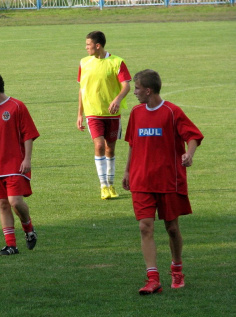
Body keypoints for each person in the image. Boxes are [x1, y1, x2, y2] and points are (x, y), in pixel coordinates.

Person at [122, 69, 204, 295]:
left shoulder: (172, 111)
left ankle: (177, 269)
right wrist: (127, 171)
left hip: (168, 180)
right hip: (141, 180)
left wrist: (189, 154)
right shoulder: (137, 113)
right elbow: (132, 144)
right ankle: (152, 279)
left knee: (172, 228)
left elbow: (193, 136)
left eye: (137, 88)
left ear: (148, 90)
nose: (135, 92)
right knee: (144, 227)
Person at [0, 73, 40, 256]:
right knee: (3, 204)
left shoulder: (16, 106)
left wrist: (27, 159)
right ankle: (11, 245)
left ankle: (28, 228)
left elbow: (28, 134)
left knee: (15, 201)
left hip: (14, 164)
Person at [77, 31, 131, 200]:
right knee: (99, 145)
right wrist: (79, 114)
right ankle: (103, 186)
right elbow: (82, 89)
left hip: (112, 114)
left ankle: (111, 184)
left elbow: (126, 86)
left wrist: (117, 99)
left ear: (97, 45)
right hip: (93, 112)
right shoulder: (84, 63)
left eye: (88, 45)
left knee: (110, 148)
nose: (86, 48)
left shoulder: (117, 62)